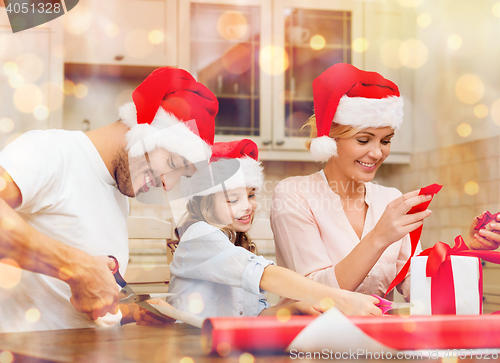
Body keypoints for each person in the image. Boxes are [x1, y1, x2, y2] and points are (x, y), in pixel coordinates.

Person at [0, 67, 218, 332]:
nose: (168, 183)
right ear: (144, 130)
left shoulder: (118, 196)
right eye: (173, 162)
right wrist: (76, 267)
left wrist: (133, 311)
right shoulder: (50, 151)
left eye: (181, 175)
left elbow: (74, 310)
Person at [270, 63, 500, 302]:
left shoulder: (389, 199)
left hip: (379, 337)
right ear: (330, 138)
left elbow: (421, 288)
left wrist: (468, 250)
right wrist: (380, 236)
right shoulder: (294, 194)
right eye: (363, 140)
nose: (377, 153)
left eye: (385, 140)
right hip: (314, 337)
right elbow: (315, 295)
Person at [164, 138, 382, 320]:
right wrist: (340, 298)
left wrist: (289, 310)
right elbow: (265, 275)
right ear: (205, 204)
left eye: (250, 195)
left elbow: (254, 316)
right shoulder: (198, 236)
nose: (247, 206)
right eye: (232, 199)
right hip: (190, 347)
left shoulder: (235, 246)